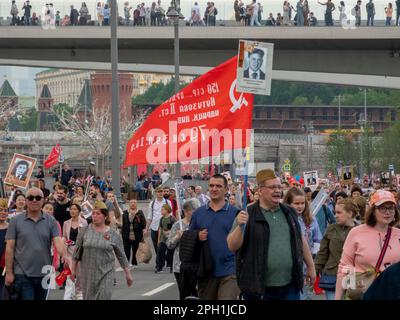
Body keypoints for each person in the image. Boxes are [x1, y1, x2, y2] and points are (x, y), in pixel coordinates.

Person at [227, 169, 316, 300]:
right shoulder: (248, 213)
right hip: (259, 289)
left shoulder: (289, 212)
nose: (277, 190)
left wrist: (310, 266)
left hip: (290, 287)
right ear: (260, 190)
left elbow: (299, 240)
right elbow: (232, 246)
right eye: (272, 187)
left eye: (279, 187)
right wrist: (240, 226)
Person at [5, 188, 68, 300]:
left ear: (43, 200)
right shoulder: (15, 220)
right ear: (26, 200)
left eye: (38, 198)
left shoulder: (51, 221)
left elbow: (58, 241)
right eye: (30, 198)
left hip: (44, 273)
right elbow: (9, 248)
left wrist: (65, 256)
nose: (34, 200)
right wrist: (9, 272)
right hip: (22, 273)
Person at [335, 190, 400, 300]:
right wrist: (337, 298)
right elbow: (344, 268)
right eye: (382, 208)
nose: (388, 212)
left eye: (391, 208)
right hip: (364, 294)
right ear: (373, 210)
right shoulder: (356, 233)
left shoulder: (398, 234)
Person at [189, 174, 241, 300]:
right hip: (206, 271)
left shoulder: (235, 213)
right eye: (211, 186)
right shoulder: (198, 213)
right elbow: (189, 240)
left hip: (230, 271)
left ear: (226, 189)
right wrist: (197, 236)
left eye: (218, 186)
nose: (214, 189)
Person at [71, 201, 132, 300]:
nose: (94, 216)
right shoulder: (84, 231)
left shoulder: (113, 234)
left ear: (105, 216)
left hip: (106, 273)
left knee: (104, 296)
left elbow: (121, 256)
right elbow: (76, 253)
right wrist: (73, 270)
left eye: (98, 213)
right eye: (93, 213)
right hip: (88, 274)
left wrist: (128, 274)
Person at [314, 198, 357, 300]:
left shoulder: (360, 231)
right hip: (332, 275)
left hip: (353, 276)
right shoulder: (331, 229)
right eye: (335, 212)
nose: (335, 215)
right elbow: (322, 253)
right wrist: (315, 270)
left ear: (350, 213)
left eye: (339, 212)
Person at [283, 187, 322, 299]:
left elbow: (317, 240)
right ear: (288, 204)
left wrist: (313, 260)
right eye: (296, 203)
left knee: (306, 295)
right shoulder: (285, 219)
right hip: (290, 266)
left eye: (302, 203)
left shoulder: (311, 220)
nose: (300, 206)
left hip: (306, 266)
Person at [167, 198, 201, 299]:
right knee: (184, 295)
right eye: (194, 210)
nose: (197, 213)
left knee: (198, 294)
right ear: (186, 211)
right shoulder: (178, 225)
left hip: (197, 265)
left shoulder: (199, 224)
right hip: (180, 265)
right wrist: (177, 237)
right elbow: (169, 245)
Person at [145, 186, 172, 255]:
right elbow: (149, 217)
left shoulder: (167, 202)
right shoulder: (152, 203)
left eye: (161, 191)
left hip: (165, 228)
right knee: (156, 245)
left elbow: (170, 216)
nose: (160, 193)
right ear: (155, 193)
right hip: (154, 227)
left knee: (165, 245)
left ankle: (164, 261)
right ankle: (159, 260)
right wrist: (146, 229)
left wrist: (170, 228)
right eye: (159, 192)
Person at [122, 199, 146, 268]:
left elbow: (143, 223)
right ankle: (127, 263)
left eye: (134, 202)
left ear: (137, 204)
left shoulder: (140, 212)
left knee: (135, 249)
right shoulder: (125, 213)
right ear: (129, 204)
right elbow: (122, 223)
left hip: (137, 234)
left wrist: (144, 230)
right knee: (126, 250)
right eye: (131, 202)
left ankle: (134, 263)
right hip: (127, 234)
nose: (133, 204)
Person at [155, 204, 176, 273]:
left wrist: (169, 232)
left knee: (171, 253)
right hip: (163, 239)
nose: (161, 211)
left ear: (167, 210)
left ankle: (171, 266)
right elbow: (160, 229)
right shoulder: (162, 219)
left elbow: (175, 228)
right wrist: (158, 239)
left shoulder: (172, 218)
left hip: (170, 239)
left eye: (163, 209)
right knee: (160, 252)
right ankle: (159, 267)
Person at [0, 199, 9, 300]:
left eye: (5, 210)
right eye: (0, 209)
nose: (3, 212)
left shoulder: (11, 228)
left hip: (5, 267)